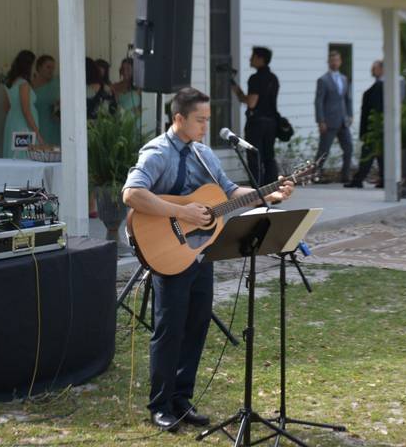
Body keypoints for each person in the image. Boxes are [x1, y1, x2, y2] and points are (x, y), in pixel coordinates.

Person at [122, 88, 294, 432]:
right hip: (167, 251)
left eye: (207, 120)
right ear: (179, 119)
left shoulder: (203, 154)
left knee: (197, 324)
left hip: (200, 251)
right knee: (169, 329)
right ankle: (160, 404)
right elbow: (132, 193)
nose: (205, 126)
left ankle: (182, 398)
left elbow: (230, 193)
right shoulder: (157, 153)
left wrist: (268, 192)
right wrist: (181, 210)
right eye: (199, 120)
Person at [231, 47, 279, 185]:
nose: (250, 59)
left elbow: (251, 102)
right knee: (269, 156)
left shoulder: (256, 78)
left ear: (260, 59)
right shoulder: (273, 78)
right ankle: (273, 189)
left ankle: (258, 191)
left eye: (253, 56)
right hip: (272, 122)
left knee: (254, 157)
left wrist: (239, 94)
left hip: (257, 123)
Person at [313, 50, 353, 183]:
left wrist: (350, 114)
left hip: (343, 120)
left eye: (337, 60)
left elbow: (348, 99)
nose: (335, 63)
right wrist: (321, 120)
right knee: (324, 151)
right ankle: (315, 175)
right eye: (332, 60)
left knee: (348, 148)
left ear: (340, 62)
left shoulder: (344, 79)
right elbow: (318, 101)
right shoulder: (323, 80)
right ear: (329, 62)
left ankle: (345, 175)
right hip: (329, 120)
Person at [345, 60, 384, 188]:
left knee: (368, 154)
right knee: (378, 155)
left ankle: (359, 179)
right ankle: (383, 178)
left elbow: (375, 109)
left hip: (374, 128)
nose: (372, 70)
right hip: (374, 128)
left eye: (374, 68)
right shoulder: (379, 85)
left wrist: (370, 128)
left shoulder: (380, 86)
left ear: (382, 69)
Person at [2, 50, 43, 159]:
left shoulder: (9, 83)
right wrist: (37, 133)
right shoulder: (23, 84)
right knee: (24, 155)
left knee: (14, 153)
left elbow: (6, 107)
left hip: (13, 121)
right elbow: (26, 110)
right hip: (24, 125)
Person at [33, 55, 60, 146]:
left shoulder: (56, 83)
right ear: (39, 67)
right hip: (36, 124)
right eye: (48, 67)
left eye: (53, 68)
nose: (51, 70)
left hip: (54, 125)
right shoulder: (29, 85)